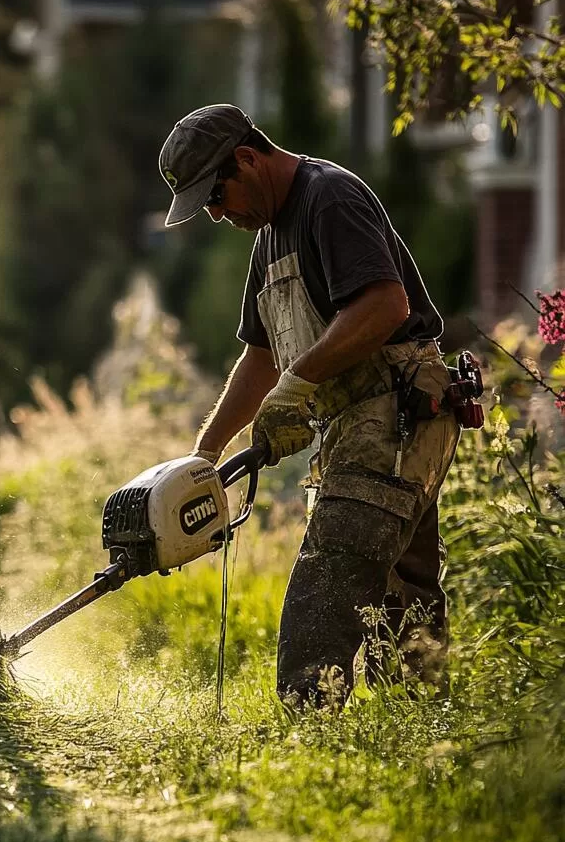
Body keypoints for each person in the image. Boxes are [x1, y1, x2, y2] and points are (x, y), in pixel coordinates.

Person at [158, 104, 461, 707]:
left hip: (397, 408)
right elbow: (261, 358)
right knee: (401, 597)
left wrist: (298, 386)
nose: (217, 214)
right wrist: (206, 452)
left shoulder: (330, 197)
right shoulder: (268, 237)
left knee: (330, 575)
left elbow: (384, 306)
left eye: (216, 195)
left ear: (247, 157)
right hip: (354, 421)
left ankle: (306, 721)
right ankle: (421, 734)